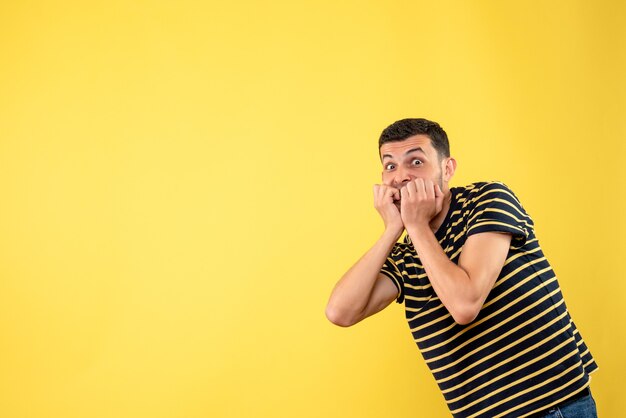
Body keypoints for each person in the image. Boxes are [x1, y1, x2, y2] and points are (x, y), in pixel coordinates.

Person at [325, 118, 598, 418]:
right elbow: (340, 312)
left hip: (550, 407)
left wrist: (415, 225)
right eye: (390, 166)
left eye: (415, 161)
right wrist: (392, 230)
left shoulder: (489, 199)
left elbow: (465, 304)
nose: (400, 176)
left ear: (447, 169)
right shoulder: (406, 254)